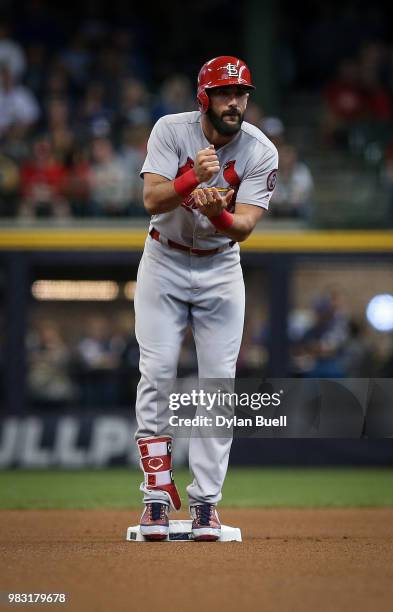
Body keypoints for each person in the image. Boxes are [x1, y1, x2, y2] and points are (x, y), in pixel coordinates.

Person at [134, 56, 278, 541]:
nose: (234, 102)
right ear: (204, 97)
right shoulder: (170, 131)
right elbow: (153, 200)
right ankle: (155, 497)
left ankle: (205, 507)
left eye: (241, 94)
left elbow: (243, 229)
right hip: (164, 261)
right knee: (156, 373)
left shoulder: (261, 151)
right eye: (224, 93)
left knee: (217, 385)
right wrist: (191, 179)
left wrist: (218, 214)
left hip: (219, 266)